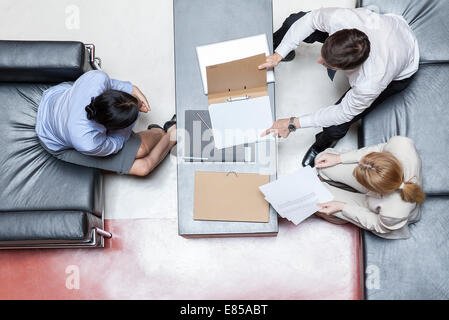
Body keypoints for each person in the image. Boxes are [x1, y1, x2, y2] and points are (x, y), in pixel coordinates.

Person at [259, 7, 420, 167]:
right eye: (323, 53)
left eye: (327, 63)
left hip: (402, 67)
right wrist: (279, 53)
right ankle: (276, 48)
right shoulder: (341, 18)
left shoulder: (370, 82)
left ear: (346, 69)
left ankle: (323, 143)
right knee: (295, 20)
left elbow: (342, 113)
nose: (319, 60)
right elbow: (309, 20)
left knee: (335, 126)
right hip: (389, 28)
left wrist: (293, 123)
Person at [35, 70, 177, 176]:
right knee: (143, 165)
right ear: (112, 127)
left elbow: (121, 86)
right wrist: (130, 122)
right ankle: (170, 134)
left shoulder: (98, 79)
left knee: (141, 151)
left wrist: (133, 92)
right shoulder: (87, 142)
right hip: (53, 139)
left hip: (56, 99)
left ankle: (163, 132)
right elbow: (117, 143)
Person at [314, 136, 425, 239]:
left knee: (317, 199)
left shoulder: (394, 212)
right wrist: (339, 158)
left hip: (382, 210)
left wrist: (343, 207)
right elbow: (379, 148)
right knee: (322, 161)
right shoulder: (401, 145)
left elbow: (377, 224)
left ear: (375, 189)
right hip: (382, 188)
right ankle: (338, 186)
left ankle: (340, 199)